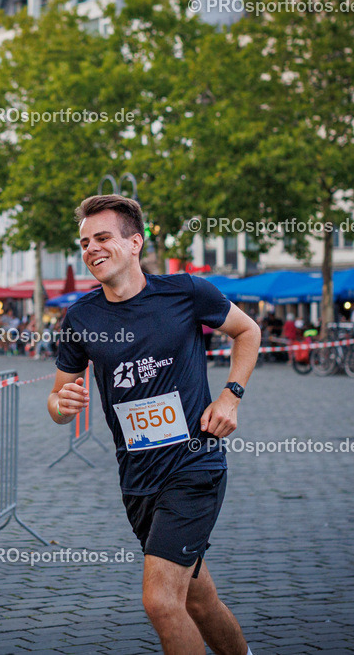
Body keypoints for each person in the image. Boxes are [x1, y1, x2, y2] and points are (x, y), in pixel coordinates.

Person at [49, 195, 260, 655]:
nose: (91, 249)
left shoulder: (186, 292)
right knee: (200, 603)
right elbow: (57, 400)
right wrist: (62, 403)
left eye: (103, 237)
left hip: (194, 467)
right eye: (85, 242)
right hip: (137, 479)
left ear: (135, 242)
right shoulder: (81, 318)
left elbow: (249, 331)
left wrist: (231, 395)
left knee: (161, 602)